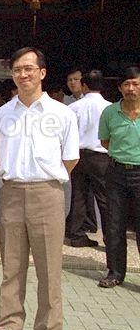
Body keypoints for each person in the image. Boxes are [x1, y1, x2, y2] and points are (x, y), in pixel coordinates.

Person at [0, 47, 79, 330]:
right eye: (17, 69)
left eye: (29, 68)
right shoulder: (2, 115)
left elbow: (70, 158)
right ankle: (10, 325)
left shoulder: (62, 114)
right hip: (11, 192)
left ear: (42, 72)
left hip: (47, 193)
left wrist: (44, 181)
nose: (23, 74)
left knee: (49, 269)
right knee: (11, 266)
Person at [97, 66, 140, 289]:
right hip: (116, 172)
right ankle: (115, 272)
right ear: (119, 88)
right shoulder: (110, 112)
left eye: (135, 83)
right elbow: (105, 142)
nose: (131, 88)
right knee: (114, 224)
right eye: (126, 84)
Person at [65, 70, 111, 248]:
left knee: (79, 196)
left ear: (84, 85)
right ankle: (110, 238)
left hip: (79, 156)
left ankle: (76, 235)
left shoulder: (73, 108)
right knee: (105, 199)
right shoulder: (110, 107)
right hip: (102, 157)